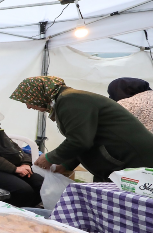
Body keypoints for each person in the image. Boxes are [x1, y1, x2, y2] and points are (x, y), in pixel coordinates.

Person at [10, 76, 153, 182]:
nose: (28, 106)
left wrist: (49, 158)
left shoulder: (70, 100)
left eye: (27, 100)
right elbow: (85, 137)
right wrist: (66, 164)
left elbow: (80, 141)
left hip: (132, 160)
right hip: (118, 162)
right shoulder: (68, 100)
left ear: (38, 94)